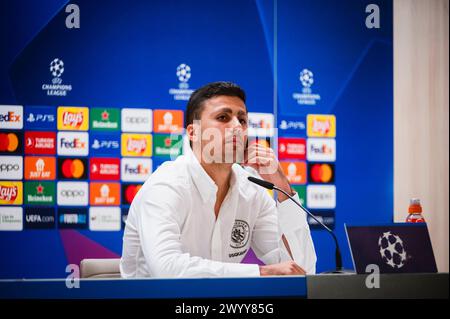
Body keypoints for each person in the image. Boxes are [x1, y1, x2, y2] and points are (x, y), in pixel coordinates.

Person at [120, 81, 316, 278]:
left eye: (242, 120)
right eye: (223, 117)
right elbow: (166, 269)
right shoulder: (166, 185)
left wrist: (282, 186)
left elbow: (302, 269)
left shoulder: (252, 189)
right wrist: (261, 272)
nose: (237, 127)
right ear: (193, 132)